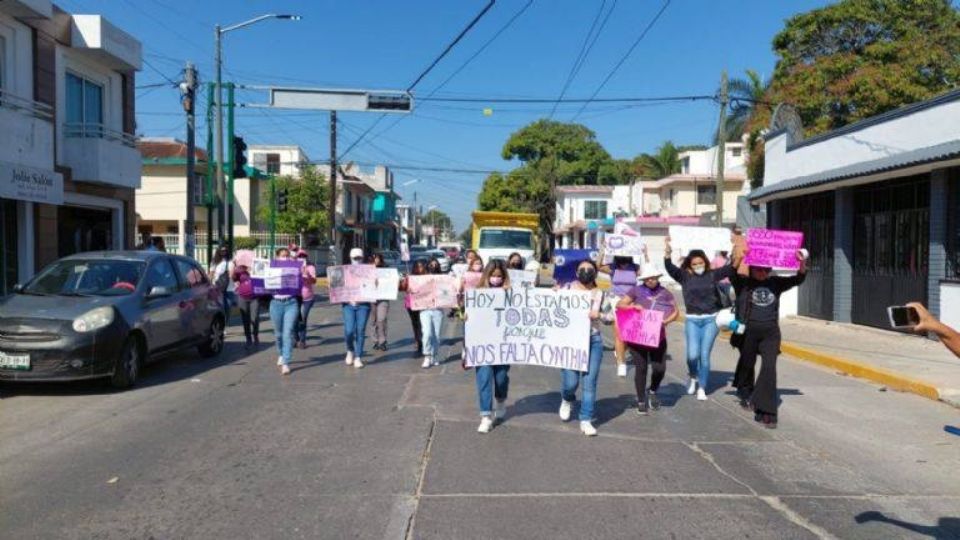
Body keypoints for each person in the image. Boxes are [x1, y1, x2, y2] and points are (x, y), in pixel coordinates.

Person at [730, 251, 807, 429]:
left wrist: (801, 264)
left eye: (766, 270)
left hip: (770, 333)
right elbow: (731, 274)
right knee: (747, 364)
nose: (762, 273)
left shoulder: (775, 283)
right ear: (752, 269)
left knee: (769, 369)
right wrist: (740, 258)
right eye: (758, 269)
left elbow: (798, 279)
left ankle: (767, 412)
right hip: (748, 332)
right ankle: (746, 391)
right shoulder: (744, 283)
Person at [664, 240, 739, 401]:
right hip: (692, 320)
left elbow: (732, 268)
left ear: (705, 262)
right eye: (695, 264)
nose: (698, 266)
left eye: (701, 263)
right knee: (692, 355)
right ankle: (693, 376)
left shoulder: (713, 275)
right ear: (689, 265)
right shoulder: (684, 277)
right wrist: (667, 254)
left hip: (711, 320)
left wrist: (736, 251)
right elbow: (669, 268)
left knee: (704, 355)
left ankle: (702, 388)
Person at [557, 259, 612, 436]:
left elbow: (611, 318)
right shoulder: (566, 289)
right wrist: (553, 295)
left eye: (590, 269)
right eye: (582, 269)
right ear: (576, 272)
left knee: (590, 382)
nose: (586, 271)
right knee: (571, 382)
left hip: (593, 341)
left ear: (595, 273)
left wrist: (601, 315)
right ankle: (567, 398)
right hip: (570, 341)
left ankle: (586, 418)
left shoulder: (600, 294)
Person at [618, 266, 679, 415]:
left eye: (653, 277)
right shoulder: (636, 291)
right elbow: (620, 304)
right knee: (641, 368)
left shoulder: (665, 293)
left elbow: (676, 311)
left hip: (658, 337)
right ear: (644, 279)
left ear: (658, 277)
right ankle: (640, 400)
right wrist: (633, 306)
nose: (651, 280)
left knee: (659, 368)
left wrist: (666, 321)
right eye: (648, 278)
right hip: (638, 338)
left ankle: (652, 390)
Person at [474, 260, 512, 433]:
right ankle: (486, 416)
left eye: (499, 276)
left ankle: (501, 399)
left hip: (503, 344)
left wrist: (510, 295)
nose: (495, 279)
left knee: (501, 378)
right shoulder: (477, 294)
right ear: (487, 276)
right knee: (484, 378)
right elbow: (469, 317)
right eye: (493, 276)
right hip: (482, 344)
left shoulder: (511, 294)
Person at [601, 255, 641, 378]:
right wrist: (603, 250)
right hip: (616, 300)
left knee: (629, 333)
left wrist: (645, 254)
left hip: (631, 300)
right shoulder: (613, 267)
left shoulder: (634, 267)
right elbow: (598, 266)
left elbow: (647, 272)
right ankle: (621, 363)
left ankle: (621, 351)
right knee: (619, 332)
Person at [268, 247, 298, 376]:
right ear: (277, 257)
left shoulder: (293, 269)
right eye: (282, 256)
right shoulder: (271, 269)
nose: (285, 258)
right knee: (278, 334)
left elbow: (300, 283)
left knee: (288, 333)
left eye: (287, 256)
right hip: (276, 304)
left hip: (291, 303)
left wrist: (301, 273)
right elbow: (262, 284)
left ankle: (286, 362)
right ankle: (281, 353)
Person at [342, 247, 372, 369]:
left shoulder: (368, 271)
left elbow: (374, 284)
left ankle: (358, 356)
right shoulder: (344, 270)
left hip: (363, 305)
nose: (357, 260)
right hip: (348, 304)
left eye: (359, 258)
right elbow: (337, 285)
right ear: (351, 258)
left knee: (360, 330)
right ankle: (350, 350)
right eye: (355, 258)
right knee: (349, 331)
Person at [418, 258, 446, 369]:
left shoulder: (443, 278)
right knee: (427, 333)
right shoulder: (421, 278)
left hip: (438, 309)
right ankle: (427, 355)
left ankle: (434, 355)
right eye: (431, 264)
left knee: (436, 335)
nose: (433, 266)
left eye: (435, 264)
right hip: (425, 309)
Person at [400, 259, 428, 358]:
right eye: (417, 267)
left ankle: (424, 341)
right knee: (415, 323)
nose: (419, 269)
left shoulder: (427, 277)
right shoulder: (410, 277)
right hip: (411, 303)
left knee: (423, 323)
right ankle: (418, 340)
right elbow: (402, 288)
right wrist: (404, 283)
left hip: (423, 303)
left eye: (421, 266)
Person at [232, 263, 261, 348]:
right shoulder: (239, 269)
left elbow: (261, 280)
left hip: (254, 297)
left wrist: (252, 271)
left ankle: (255, 335)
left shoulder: (256, 266)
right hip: (242, 297)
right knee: (245, 319)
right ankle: (248, 339)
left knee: (254, 318)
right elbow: (234, 279)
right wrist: (235, 272)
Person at [296, 250, 318, 349]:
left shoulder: (311, 267)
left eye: (303, 256)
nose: (302, 257)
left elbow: (314, 281)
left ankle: (302, 340)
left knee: (302, 319)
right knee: (294, 319)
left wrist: (307, 275)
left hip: (307, 298)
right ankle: (295, 338)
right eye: (300, 256)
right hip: (296, 296)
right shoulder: (294, 267)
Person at [370, 253, 391, 351]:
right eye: (374, 258)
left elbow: (391, 280)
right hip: (372, 298)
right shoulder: (368, 270)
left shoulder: (386, 269)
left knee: (381, 319)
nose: (375, 260)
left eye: (377, 258)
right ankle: (375, 341)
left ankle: (382, 341)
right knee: (374, 320)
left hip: (383, 297)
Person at [209, 246, 234, 317]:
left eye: (225, 251)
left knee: (228, 306)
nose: (224, 252)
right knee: (220, 305)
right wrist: (209, 284)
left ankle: (226, 321)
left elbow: (231, 274)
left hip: (229, 287)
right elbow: (211, 274)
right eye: (222, 251)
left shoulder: (230, 261)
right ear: (218, 252)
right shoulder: (214, 262)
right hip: (218, 287)